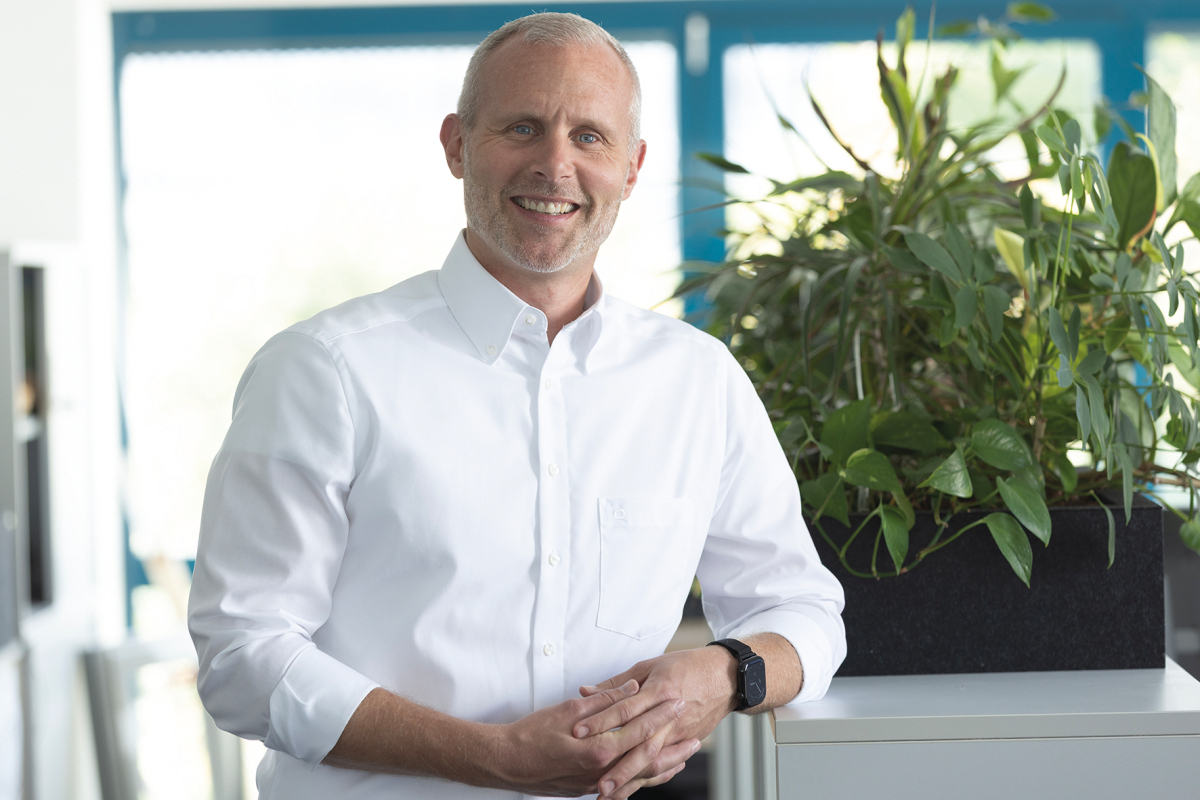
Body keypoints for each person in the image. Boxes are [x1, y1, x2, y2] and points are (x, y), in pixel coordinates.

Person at [188, 12, 845, 800]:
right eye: (523, 127)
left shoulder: (698, 381)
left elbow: (806, 612)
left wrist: (725, 673)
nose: (556, 164)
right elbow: (242, 654)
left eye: (589, 136)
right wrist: (491, 756)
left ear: (632, 167)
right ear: (457, 145)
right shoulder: (323, 370)